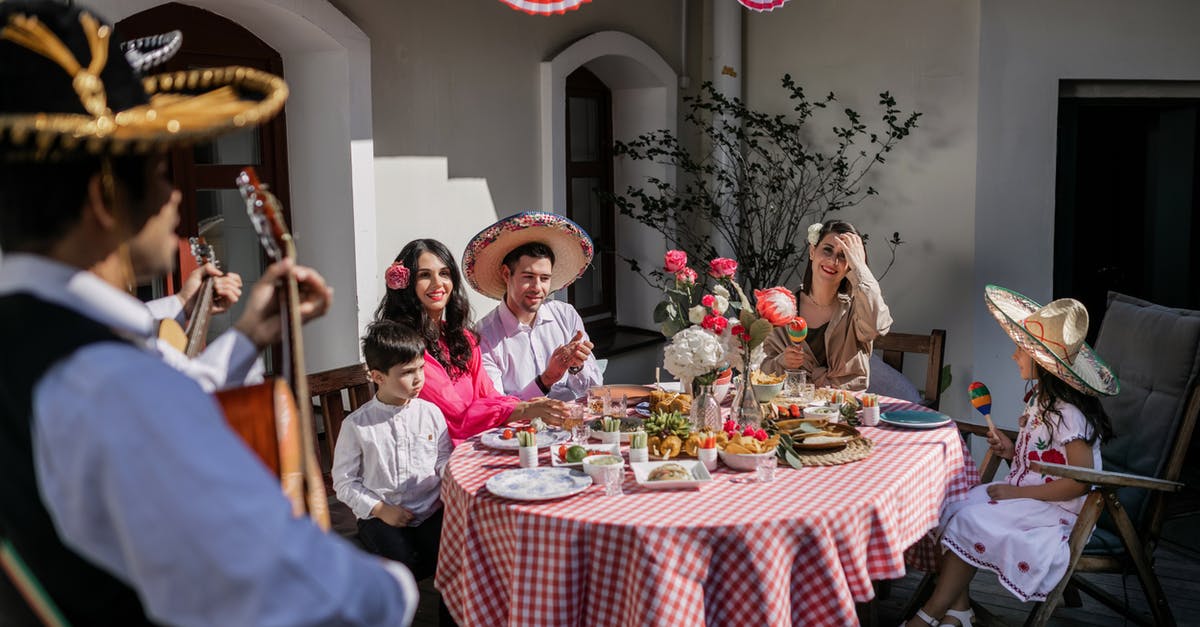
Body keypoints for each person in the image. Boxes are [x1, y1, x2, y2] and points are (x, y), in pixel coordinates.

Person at [0, 3, 417, 624]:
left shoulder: (42, 345)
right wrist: (397, 587)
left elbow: (170, 391)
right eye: (157, 172)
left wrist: (249, 334)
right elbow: (298, 593)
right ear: (103, 196)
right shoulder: (108, 382)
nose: (174, 197)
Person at [905, 286, 1118, 627]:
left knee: (968, 520)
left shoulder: (1069, 414)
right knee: (950, 505)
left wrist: (1017, 491)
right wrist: (1009, 450)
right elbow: (1043, 462)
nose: (1014, 356)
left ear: (1042, 363)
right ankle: (958, 611)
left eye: (1021, 349)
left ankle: (929, 614)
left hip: (1054, 514)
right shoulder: (1040, 401)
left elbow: (1080, 482)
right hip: (1030, 499)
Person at [376, 238, 567, 443]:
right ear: (407, 284)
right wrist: (523, 409)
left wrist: (523, 405)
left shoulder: (462, 338)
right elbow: (456, 415)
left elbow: (489, 394)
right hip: (431, 454)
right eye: (424, 275)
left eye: (444, 273)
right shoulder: (403, 348)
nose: (438, 283)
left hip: (474, 442)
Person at [332, 321, 451, 605]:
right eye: (407, 372)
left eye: (421, 368)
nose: (418, 378)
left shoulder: (431, 413)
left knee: (455, 563)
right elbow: (344, 482)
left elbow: (443, 458)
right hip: (381, 518)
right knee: (401, 571)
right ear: (378, 376)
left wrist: (451, 471)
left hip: (430, 511)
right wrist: (380, 509)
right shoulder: (357, 425)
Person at [464, 212, 603, 401]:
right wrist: (546, 380)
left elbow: (594, 390)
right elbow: (497, 406)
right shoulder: (483, 336)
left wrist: (576, 366)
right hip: (522, 430)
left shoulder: (565, 315)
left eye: (545, 278)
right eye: (528, 277)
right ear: (506, 274)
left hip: (575, 423)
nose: (537, 288)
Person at [761, 220, 892, 390]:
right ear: (812, 252)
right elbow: (762, 371)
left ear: (850, 266)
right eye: (827, 250)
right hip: (793, 410)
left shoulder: (858, 308)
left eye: (844, 255)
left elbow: (876, 326)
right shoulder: (783, 307)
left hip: (845, 409)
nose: (833, 261)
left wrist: (860, 266)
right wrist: (782, 361)